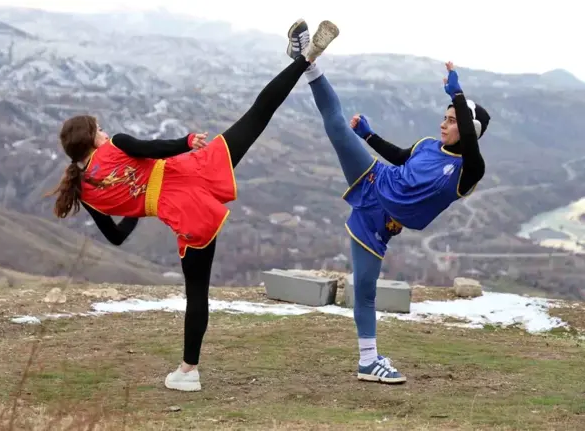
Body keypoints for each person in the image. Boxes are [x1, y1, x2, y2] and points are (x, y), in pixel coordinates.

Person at [46, 19, 340, 392]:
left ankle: (189, 371)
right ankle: (304, 59)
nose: (105, 131)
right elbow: (150, 147)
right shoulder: (115, 145)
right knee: (257, 115)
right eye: (99, 129)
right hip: (196, 169)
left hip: (185, 215)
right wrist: (186, 141)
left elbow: (118, 236)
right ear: (91, 139)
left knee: (197, 293)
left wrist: (139, 205)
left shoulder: (86, 194)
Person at [289, 22, 490, 384]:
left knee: (364, 292)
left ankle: (368, 361)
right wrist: (368, 135)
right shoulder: (429, 144)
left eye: (452, 120)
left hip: (378, 225)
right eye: (444, 117)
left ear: (469, 130)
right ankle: (309, 60)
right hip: (372, 180)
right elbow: (399, 157)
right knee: (336, 126)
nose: (444, 124)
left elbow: (471, 149)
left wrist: (459, 96)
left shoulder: (468, 172)